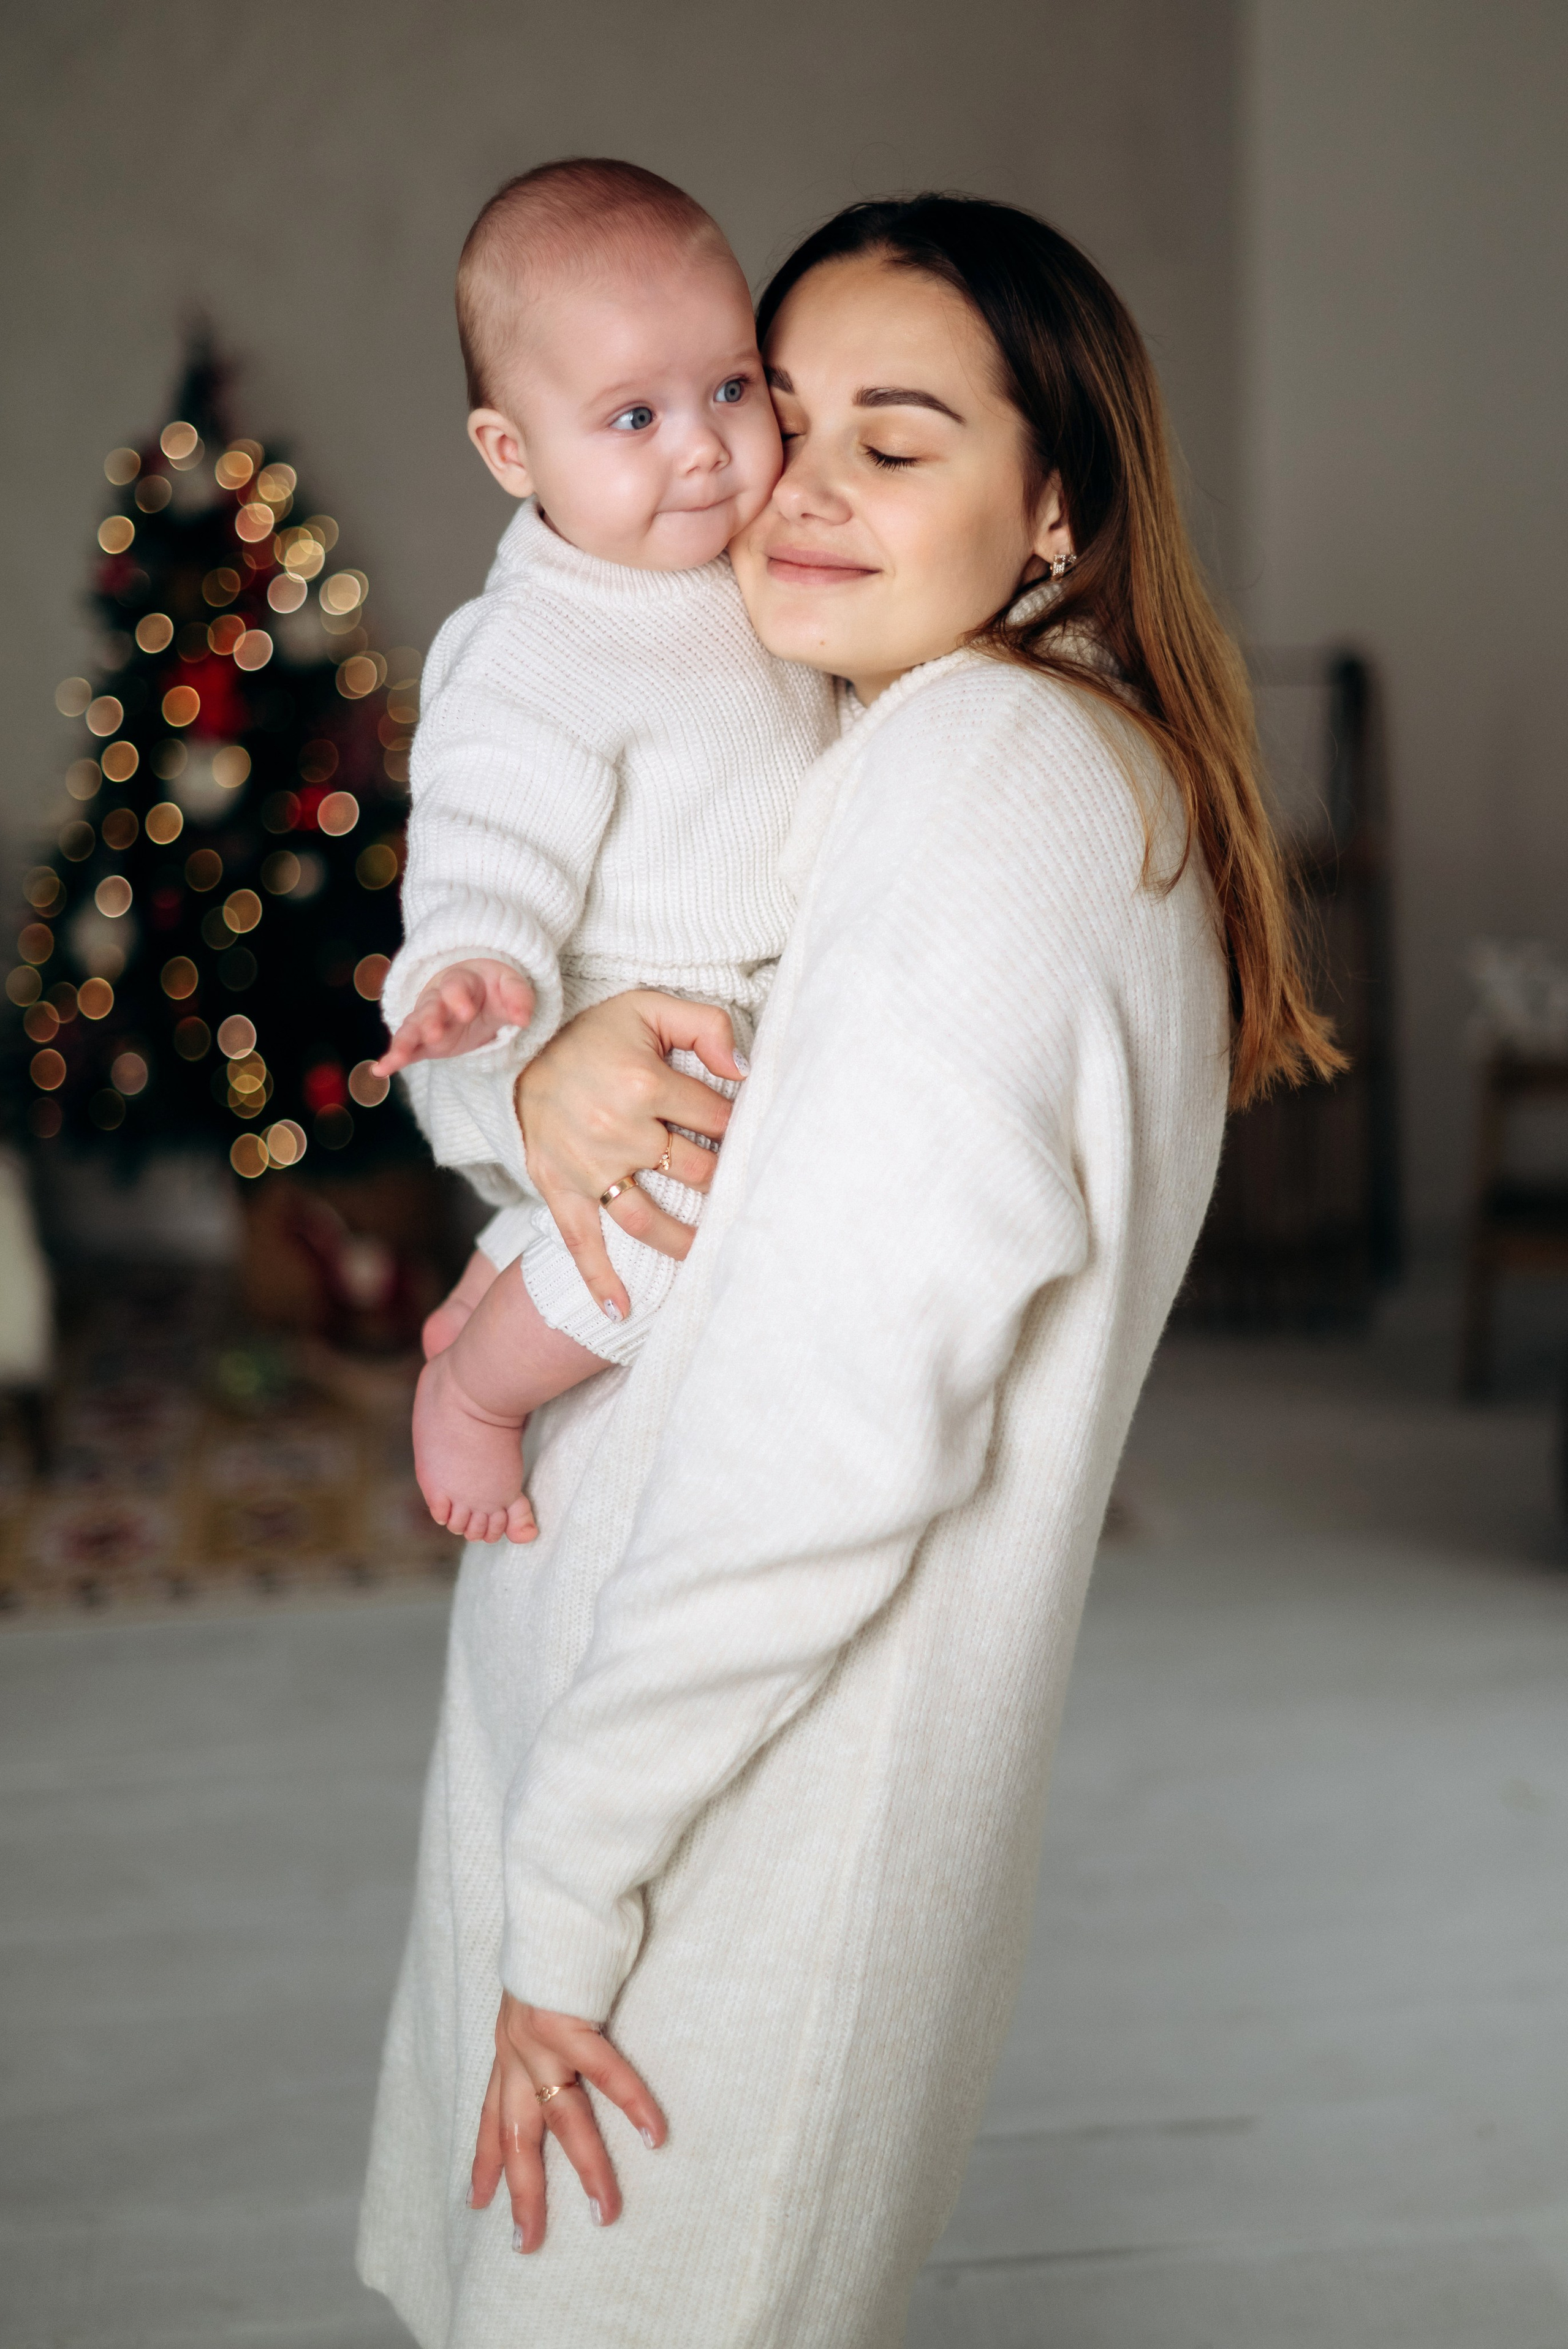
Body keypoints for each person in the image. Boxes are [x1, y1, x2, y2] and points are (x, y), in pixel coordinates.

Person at [358, 194, 1339, 2349]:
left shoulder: (991, 781)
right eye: (772, 414)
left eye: (888, 443)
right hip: (654, 1754)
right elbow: (580, 1087)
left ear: (1054, 503)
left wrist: (569, 1887)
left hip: (725, 1842)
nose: (777, 483)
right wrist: (524, 1088)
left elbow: (832, 1425)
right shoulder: (877, 746)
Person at [374, 157, 835, 1543]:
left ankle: (493, 1277)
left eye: (732, 389)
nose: (701, 446)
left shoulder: (753, 560)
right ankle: (477, 1392)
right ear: (512, 454)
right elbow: (481, 839)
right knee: (654, 1250)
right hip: (640, 1032)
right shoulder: (533, 646)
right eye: (633, 414)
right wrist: (466, 970)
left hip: (749, 1009)